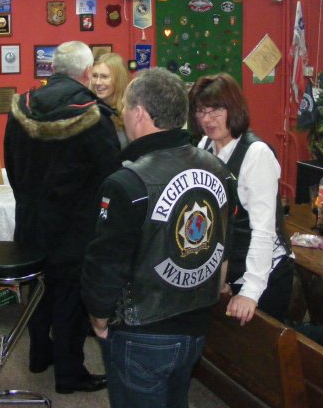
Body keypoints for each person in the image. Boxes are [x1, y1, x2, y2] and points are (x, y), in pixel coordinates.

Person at [82, 67, 234, 408]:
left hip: (142, 330)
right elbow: (225, 249)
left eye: (125, 107)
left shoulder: (126, 183)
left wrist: (98, 317)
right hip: (197, 323)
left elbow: (105, 263)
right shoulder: (219, 170)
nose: (123, 114)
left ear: (139, 113)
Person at [4, 40, 120, 394]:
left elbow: (11, 165)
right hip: (75, 228)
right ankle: (70, 374)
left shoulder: (21, 107)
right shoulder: (94, 117)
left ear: (53, 69)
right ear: (86, 73)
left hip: (30, 221)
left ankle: (39, 355)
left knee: (38, 291)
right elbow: (111, 177)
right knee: (69, 300)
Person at [188, 73, 294, 325]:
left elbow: (263, 230)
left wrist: (250, 290)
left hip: (263, 274)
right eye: (201, 111)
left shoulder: (256, 154)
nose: (208, 119)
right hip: (230, 269)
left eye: (216, 110)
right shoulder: (205, 145)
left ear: (233, 109)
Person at [89, 52, 129, 148]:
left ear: (119, 80)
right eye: (94, 76)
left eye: (104, 77)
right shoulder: (88, 111)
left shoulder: (132, 111)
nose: (98, 82)